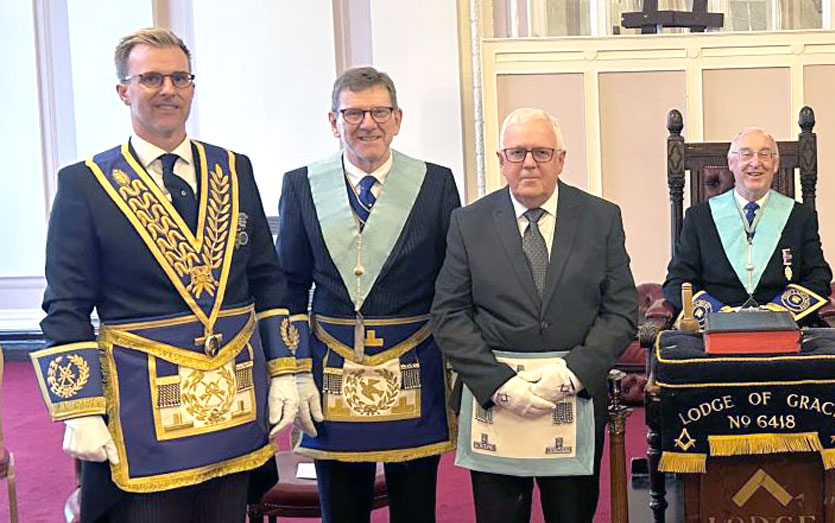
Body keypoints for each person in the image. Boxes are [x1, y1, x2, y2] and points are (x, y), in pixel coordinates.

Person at [30, 27, 299, 522]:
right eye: (151, 78)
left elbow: (267, 279)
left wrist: (286, 372)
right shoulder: (86, 184)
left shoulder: (233, 169)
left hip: (233, 402)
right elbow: (65, 304)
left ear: (192, 88)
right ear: (123, 91)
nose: (168, 90)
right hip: (143, 410)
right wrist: (81, 408)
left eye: (179, 77)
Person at [431, 108, 637, 523]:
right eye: (518, 152)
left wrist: (574, 372)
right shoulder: (468, 223)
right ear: (501, 161)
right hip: (495, 403)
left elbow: (621, 311)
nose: (529, 163)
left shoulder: (601, 218)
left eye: (541, 152)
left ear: (561, 159)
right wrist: (498, 383)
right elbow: (449, 314)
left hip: (573, 399)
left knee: (572, 515)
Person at [276, 66, 459, 523]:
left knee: (416, 508)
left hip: (415, 363)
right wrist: (293, 370)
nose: (367, 123)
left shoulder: (436, 183)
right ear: (333, 121)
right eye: (353, 112)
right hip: (330, 367)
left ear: (397, 118)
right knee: (341, 509)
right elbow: (291, 286)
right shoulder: (301, 185)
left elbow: (452, 281)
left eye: (378, 111)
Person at [662, 127, 833, 326]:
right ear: (731, 163)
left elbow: (818, 277)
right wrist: (719, 316)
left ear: (775, 164)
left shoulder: (800, 217)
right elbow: (677, 282)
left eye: (765, 154)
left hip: (782, 330)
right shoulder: (699, 218)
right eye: (746, 154)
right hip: (716, 331)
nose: (755, 163)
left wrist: (777, 313)